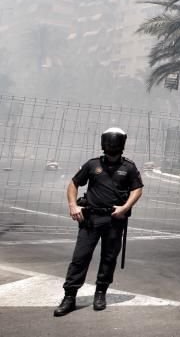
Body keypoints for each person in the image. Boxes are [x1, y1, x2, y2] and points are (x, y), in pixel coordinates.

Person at [53, 127, 143, 316]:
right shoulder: (92, 164)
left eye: (115, 141)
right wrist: (72, 205)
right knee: (80, 258)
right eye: (109, 141)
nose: (112, 144)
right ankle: (69, 297)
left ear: (122, 143)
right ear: (103, 142)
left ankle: (100, 292)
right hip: (90, 219)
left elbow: (137, 189)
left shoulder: (129, 167)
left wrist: (125, 208)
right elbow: (73, 184)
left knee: (109, 258)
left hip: (114, 219)